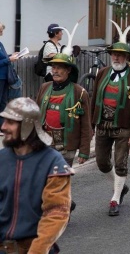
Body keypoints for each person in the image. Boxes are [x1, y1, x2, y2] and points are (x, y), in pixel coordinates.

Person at [0, 97, 72, 254]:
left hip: (35, 249)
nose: (3, 127)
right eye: (4, 121)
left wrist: (37, 251)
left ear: (27, 125)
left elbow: (56, 212)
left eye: (10, 122)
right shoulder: (2, 159)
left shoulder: (53, 162)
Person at [91, 41, 130, 216]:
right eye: (114, 54)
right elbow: (94, 100)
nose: (116, 57)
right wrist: (92, 124)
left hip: (123, 128)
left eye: (120, 54)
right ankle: (121, 187)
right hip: (102, 125)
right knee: (102, 163)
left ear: (127, 58)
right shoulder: (102, 73)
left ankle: (115, 198)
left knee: (121, 163)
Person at [36, 53, 91, 212]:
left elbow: (86, 124)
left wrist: (85, 151)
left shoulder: (79, 93)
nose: (55, 70)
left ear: (68, 70)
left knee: (59, 179)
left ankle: (60, 210)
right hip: (45, 143)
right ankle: (66, 203)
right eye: (53, 67)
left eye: (59, 67)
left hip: (67, 145)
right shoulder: (44, 88)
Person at [0, 22, 18, 135]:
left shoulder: (0, 44)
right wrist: (9, 60)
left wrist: (12, 55)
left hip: (4, 77)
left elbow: (4, 57)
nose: (1, 33)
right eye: (0, 31)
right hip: (0, 77)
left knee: (3, 102)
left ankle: (1, 126)